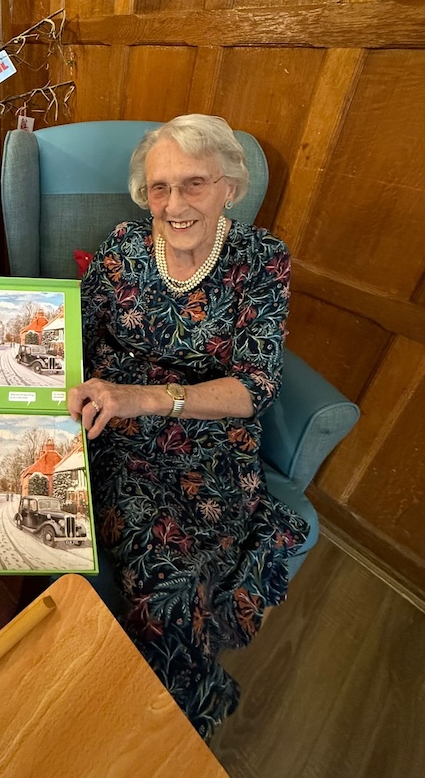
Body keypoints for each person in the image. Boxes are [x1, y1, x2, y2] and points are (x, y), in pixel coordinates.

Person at [68, 114, 308, 742]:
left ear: (230, 186)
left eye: (193, 184)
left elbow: (254, 388)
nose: (173, 205)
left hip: (208, 433)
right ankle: (161, 720)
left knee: (181, 567)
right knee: (151, 557)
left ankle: (159, 733)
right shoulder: (121, 248)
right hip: (118, 430)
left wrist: (148, 397)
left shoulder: (262, 262)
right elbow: (74, 336)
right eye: (159, 188)